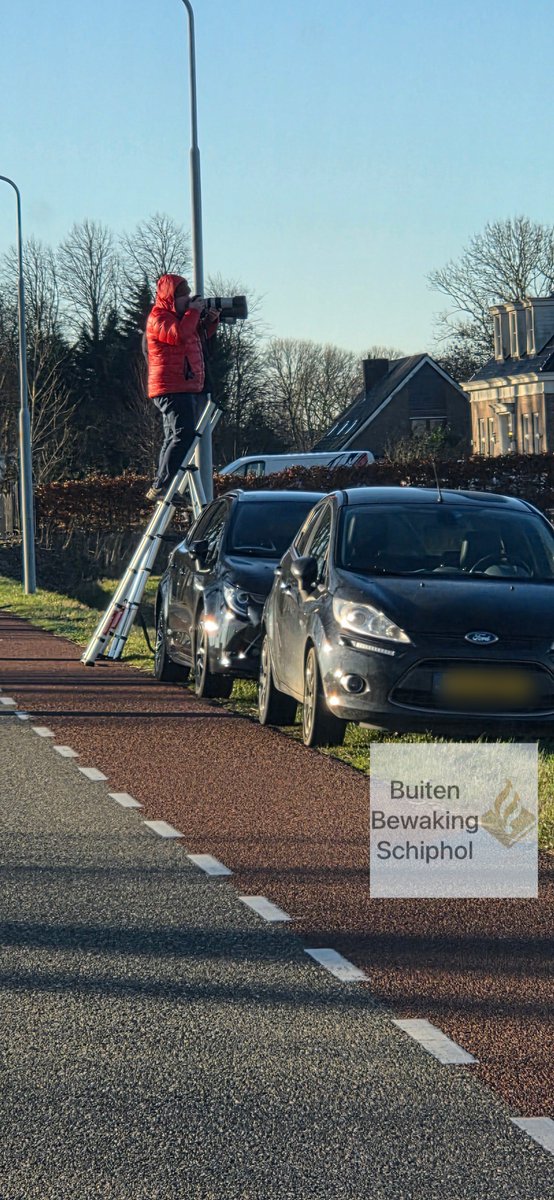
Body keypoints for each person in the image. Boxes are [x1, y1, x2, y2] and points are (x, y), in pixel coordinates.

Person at [144, 273, 219, 501]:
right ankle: (162, 485)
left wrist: (210, 322)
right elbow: (179, 335)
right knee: (182, 434)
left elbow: (195, 338)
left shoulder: (179, 317)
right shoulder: (159, 318)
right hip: (171, 386)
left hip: (182, 385)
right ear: (170, 297)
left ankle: (163, 484)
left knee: (173, 436)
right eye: (183, 296)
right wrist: (194, 312)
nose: (187, 300)